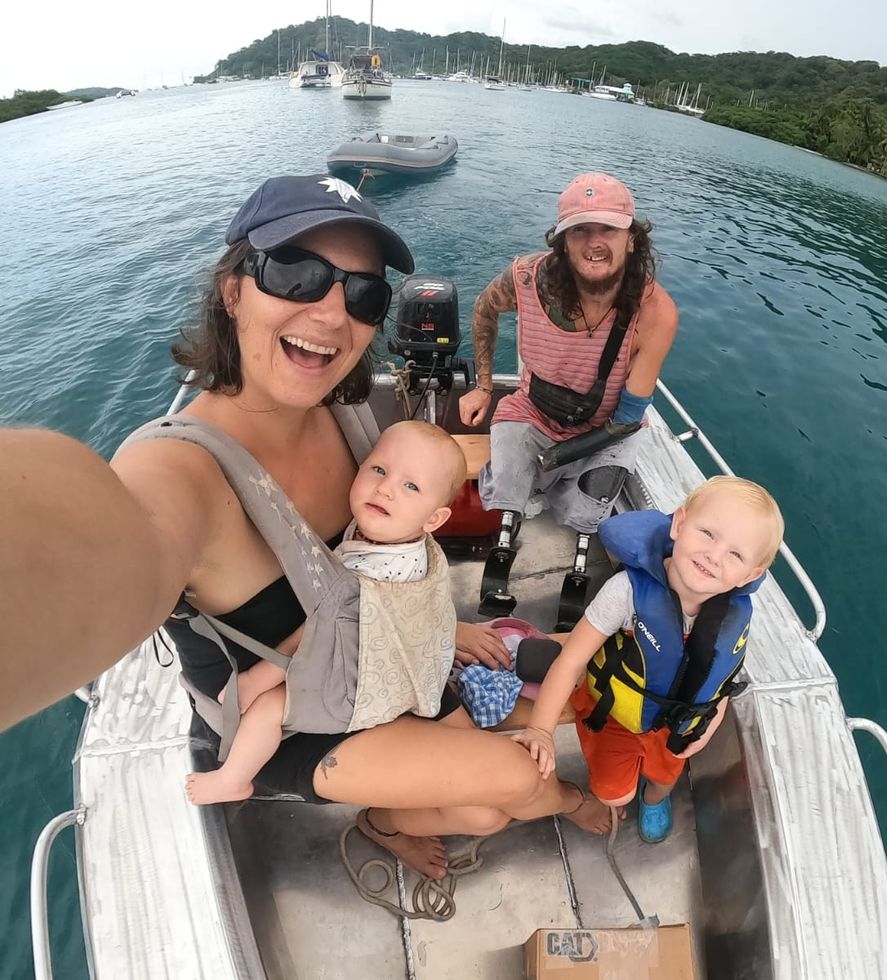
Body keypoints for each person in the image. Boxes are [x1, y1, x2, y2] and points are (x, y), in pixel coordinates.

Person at [0, 174, 605, 877]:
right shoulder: (183, 475)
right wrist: (565, 798)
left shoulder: (343, 411)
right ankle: (568, 805)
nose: (330, 313)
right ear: (232, 291)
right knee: (514, 784)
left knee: (482, 812)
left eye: (363, 293)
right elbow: (95, 536)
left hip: (377, 664)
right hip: (291, 722)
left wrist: (444, 628)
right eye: (296, 273)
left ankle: (382, 824)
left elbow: (396, 540)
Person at [185, 420, 468, 805]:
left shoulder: (372, 572)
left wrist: (255, 678)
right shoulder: (405, 541)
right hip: (396, 664)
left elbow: (312, 636)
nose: (385, 488)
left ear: (434, 519)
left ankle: (233, 779)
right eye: (379, 470)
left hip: (361, 688)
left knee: (268, 706)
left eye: (411, 486)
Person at [457, 172, 679, 628]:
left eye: (608, 229)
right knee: (509, 482)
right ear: (562, 241)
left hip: (606, 428)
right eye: (579, 230)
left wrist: (555, 458)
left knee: (588, 507)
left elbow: (628, 418)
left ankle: (573, 547)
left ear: (632, 239)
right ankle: (509, 524)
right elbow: (484, 307)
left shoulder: (655, 313)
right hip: (534, 409)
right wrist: (482, 385)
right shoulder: (526, 279)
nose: (594, 242)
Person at [514, 476, 784, 842]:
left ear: (750, 575)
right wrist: (541, 731)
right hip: (614, 713)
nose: (714, 556)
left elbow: (724, 680)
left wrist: (708, 728)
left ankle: (655, 798)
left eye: (736, 554)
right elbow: (571, 661)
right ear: (679, 523)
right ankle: (622, 793)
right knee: (615, 793)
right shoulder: (625, 593)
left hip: (676, 723)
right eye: (708, 533)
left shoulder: (733, 613)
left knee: (663, 778)